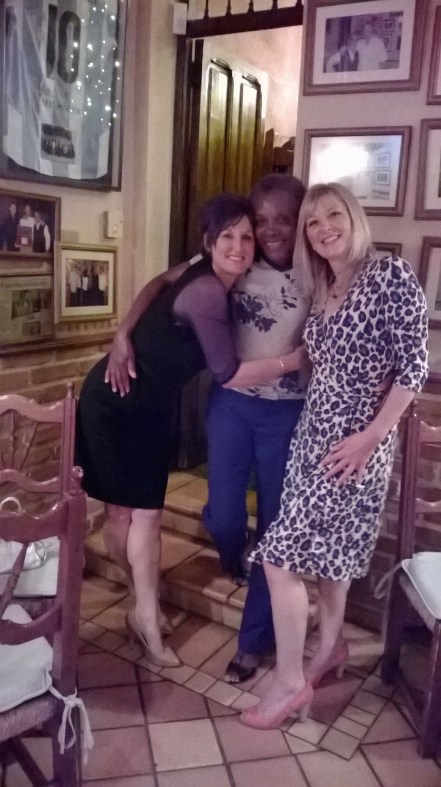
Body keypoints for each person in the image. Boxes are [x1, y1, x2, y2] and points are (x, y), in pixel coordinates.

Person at [76, 193, 307, 670]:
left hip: (151, 407)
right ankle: (145, 610)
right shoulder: (207, 292)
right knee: (126, 514)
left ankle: (142, 606)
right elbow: (228, 374)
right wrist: (294, 360)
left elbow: (159, 280)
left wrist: (124, 331)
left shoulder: (208, 272)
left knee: (141, 515)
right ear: (209, 242)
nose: (239, 246)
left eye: (246, 237)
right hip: (112, 401)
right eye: (228, 237)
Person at [240, 182, 428, 730]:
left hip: (354, 446)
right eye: (313, 222)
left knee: (279, 558)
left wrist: (370, 438)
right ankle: (331, 646)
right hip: (312, 436)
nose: (324, 228)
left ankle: (290, 681)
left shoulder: (389, 275)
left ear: (354, 217)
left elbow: (414, 369)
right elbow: (318, 359)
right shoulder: (324, 284)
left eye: (333, 215)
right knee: (330, 554)